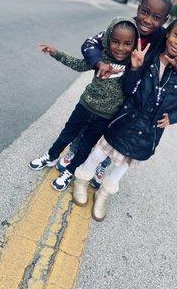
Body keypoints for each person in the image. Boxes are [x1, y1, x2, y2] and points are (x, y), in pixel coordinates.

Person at [57, 0, 177, 184]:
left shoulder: (163, 37)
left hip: (132, 97)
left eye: (156, 17)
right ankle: (75, 151)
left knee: (115, 135)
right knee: (90, 125)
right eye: (145, 12)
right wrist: (98, 63)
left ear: (164, 21)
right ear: (138, 8)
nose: (147, 20)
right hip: (108, 91)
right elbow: (91, 42)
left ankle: (102, 166)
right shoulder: (125, 27)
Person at [72, 17, 177, 222]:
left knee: (125, 164)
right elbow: (127, 89)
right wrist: (135, 68)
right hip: (125, 119)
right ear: (168, 33)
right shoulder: (149, 56)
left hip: (149, 132)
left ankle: (104, 193)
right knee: (100, 152)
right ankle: (82, 179)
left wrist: (173, 117)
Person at [29, 17, 141, 191]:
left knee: (86, 145)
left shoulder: (132, 65)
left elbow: (130, 89)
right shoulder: (100, 57)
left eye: (127, 43)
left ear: (134, 45)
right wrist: (56, 53)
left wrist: (134, 68)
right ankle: (51, 156)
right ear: (108, 39)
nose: (120, 48)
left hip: (105, 117)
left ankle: (70, 171)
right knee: (67, 134)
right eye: (115, 41)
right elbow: (78, 65)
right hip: (84, 106)